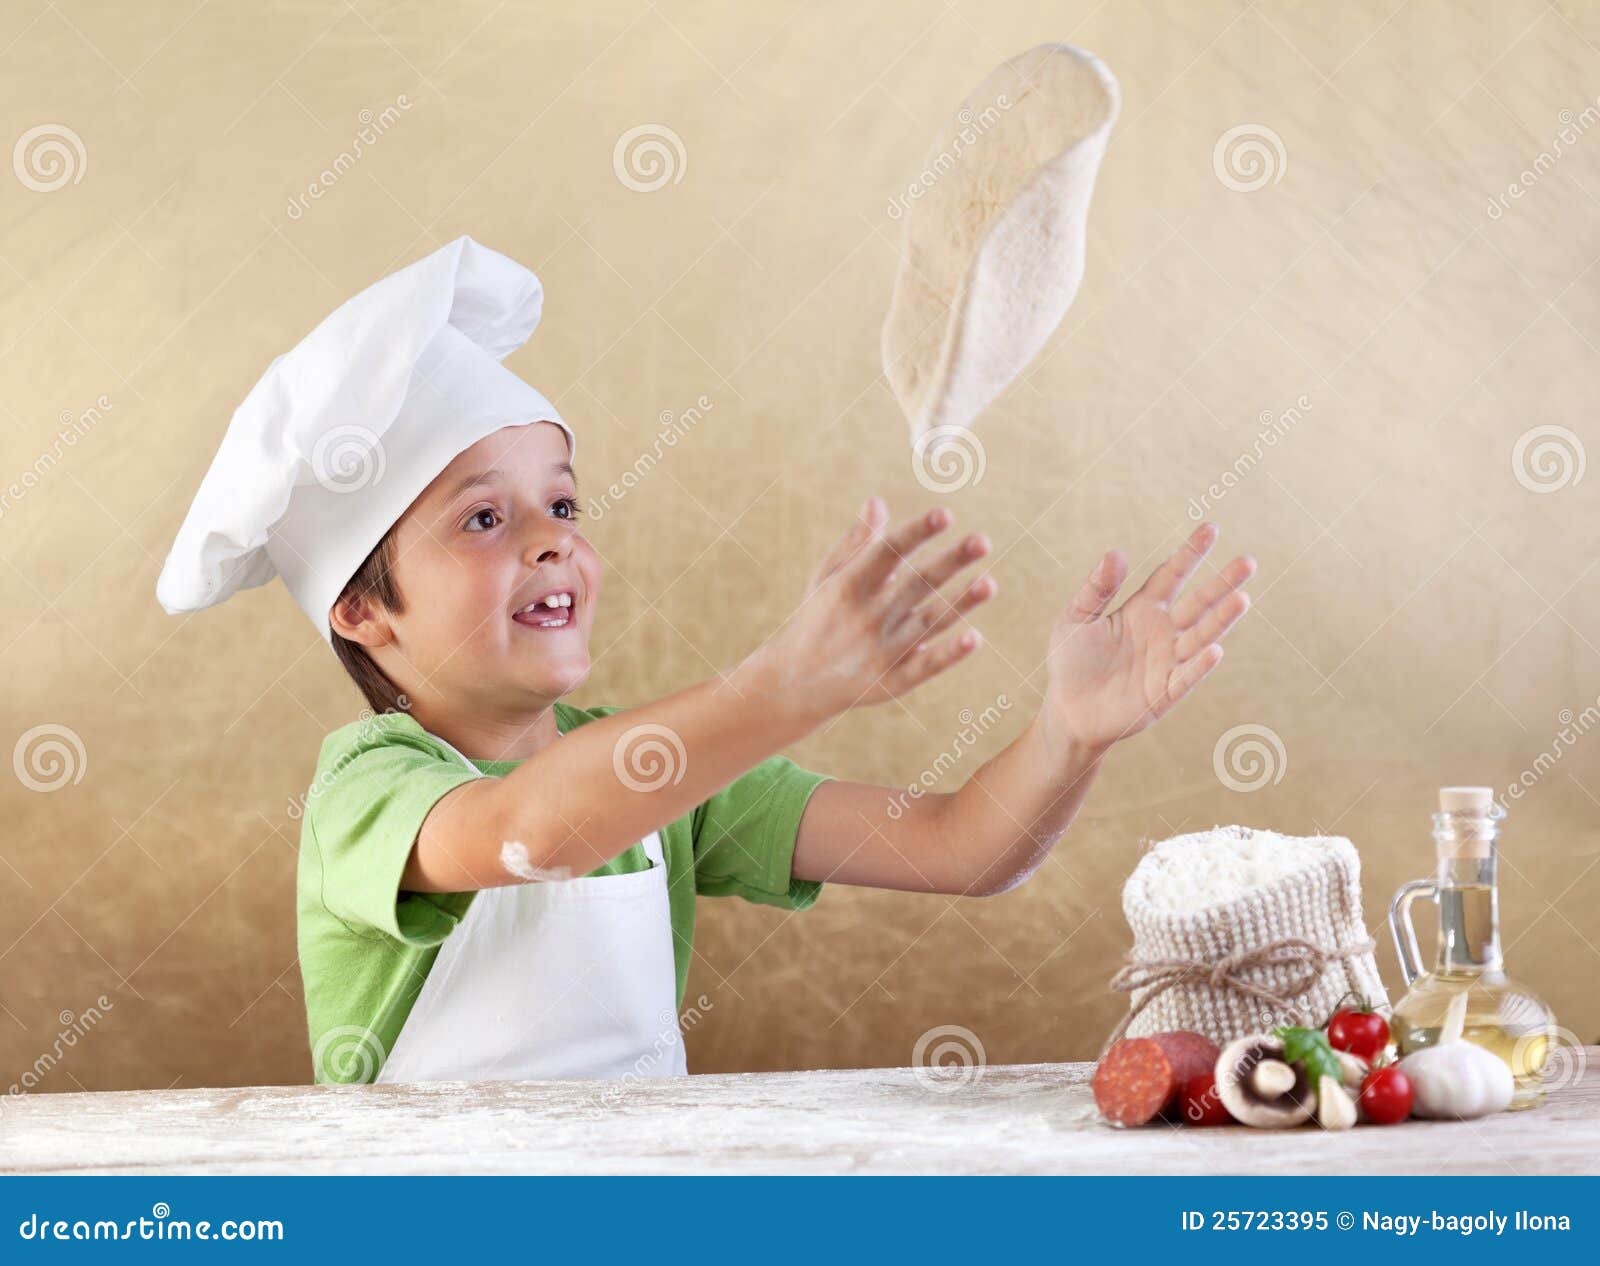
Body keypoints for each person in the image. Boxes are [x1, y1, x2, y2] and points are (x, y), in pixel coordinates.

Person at [157, 236, 1254, 1085]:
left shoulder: (667, 779)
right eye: (482, 520)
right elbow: (525, 834)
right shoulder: (370, 787)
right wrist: (785, 686)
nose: (552, 540)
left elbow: (965, 847)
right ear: (362, 610)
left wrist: (1068, 732)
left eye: (563, 502)